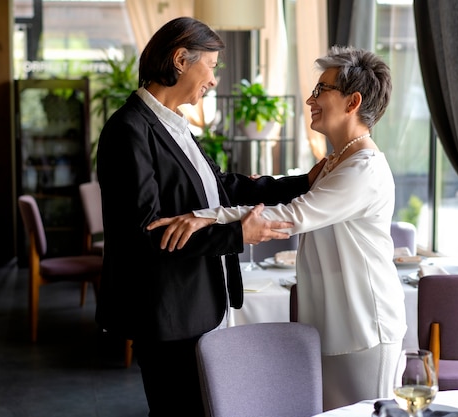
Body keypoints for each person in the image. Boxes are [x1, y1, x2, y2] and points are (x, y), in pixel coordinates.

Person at [147, 45, 407, 410]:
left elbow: (291, 215)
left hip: (364, 325)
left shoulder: (363, 168)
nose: (310, 99)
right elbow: (288, 192)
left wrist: (206, 216)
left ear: (353, 102)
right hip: (331, 325)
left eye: (322, 90)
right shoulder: (335, 161)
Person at [96, 17, 321, 417]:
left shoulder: (175, 124)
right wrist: (238, 234)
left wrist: (300, 182)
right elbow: (146, 235)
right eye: (212, 66)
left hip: (198, 305)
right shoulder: (128, 130)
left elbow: (224, 188)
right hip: (167, 313)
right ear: (181, 59)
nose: (214, 80)